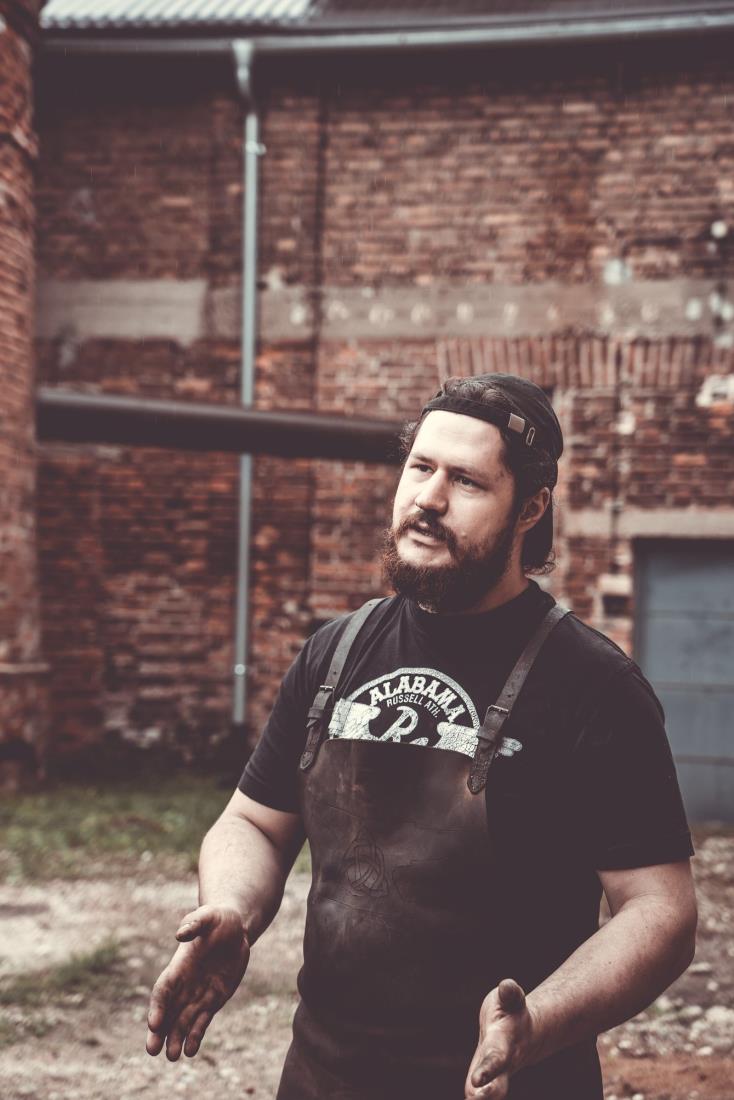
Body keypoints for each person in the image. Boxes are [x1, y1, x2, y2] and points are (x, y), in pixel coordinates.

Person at [146, 373, 697, 1100]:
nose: (428, 499)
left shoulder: (594, 685)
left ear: (531, 508)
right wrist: (231, 908)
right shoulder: (335, 653)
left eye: (466, 480)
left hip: (505, 1083)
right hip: (322, 1077)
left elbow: (661, 912)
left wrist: (536, 1023)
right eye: (420, 468)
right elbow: (255, 822)